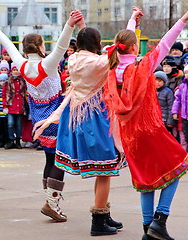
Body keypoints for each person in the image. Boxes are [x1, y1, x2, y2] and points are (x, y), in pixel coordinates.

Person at [35, 8, 145, 235]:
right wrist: (132, 22)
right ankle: (98, 221)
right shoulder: (100, 62)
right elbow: (123, 46)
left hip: (76, 116)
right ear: (97, 42)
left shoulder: (74, 58)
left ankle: (103, 212)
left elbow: (94, 43)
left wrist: (81, 24)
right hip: (96, 118)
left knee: (103, 171)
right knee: (105, 171)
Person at [0, 11, 83, 222]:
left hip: (38, 118)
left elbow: (6, 42)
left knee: (49, 159)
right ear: (40, 46)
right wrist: (69, 24)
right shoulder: (47, 65)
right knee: (59, 161)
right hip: (55, 118)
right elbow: (62, 46)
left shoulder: (21, 63)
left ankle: (51, 200)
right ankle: (52, 203)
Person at [104, 10, 188, 240]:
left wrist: (132, 21)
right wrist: (183, 20)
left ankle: (147, 228)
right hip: (149, 129)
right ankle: (160, 220)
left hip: (128, 134)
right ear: (133, 47)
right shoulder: (143, 68)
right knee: (180, 162)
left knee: (145, 179)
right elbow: (166, 42)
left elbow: (126, 39)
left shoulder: (111, 71)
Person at [2, 66, 27, 149]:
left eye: (17, 70)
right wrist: (5, 105)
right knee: (10, 124)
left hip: (20, 105)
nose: (16, 72)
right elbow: (4, 94)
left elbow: (25, 93)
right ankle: (11, 140)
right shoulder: (8, 81)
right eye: (14, 70)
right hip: (11, 105)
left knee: (19, 125)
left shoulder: (23, 81)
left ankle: (17, 141)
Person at [172, 65, 188, 151]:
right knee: (185, 137)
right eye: (185, 73)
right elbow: (177, 100)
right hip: (184, 117)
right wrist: (174, 111)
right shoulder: (183, 86)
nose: (187, 74)